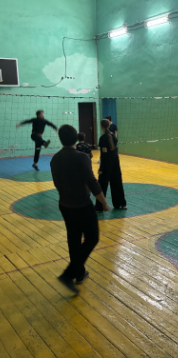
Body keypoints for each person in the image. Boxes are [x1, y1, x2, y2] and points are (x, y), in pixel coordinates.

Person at [51, 125, 110, 294]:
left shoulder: (55, 159)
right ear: (76, 138)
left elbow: (56, 183)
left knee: (74, 239)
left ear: (61, 139)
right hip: (82, 205)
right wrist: (104, 202)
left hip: (65, 204)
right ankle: (69, 274)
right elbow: (92, 182)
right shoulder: (81, 157)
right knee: (92, 238)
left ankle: (79, 273)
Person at [95, 119, 126, 212]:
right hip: (115, 163)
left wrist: (101, 168)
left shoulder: (103, 138)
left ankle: (99, 207)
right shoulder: (113, 136)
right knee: (117, 183)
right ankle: (120, 204)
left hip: (107, 164)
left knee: (102, 185)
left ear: (101, 126)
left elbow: (104, 155)